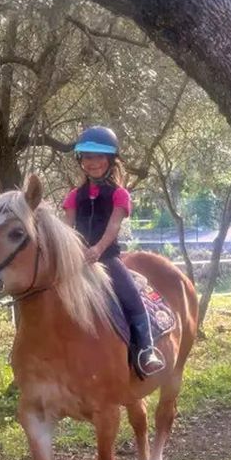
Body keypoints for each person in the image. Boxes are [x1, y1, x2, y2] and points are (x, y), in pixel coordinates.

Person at [63, 126, 165, 378]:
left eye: (99, 157)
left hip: (107, 258)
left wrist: (97, 249)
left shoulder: (119, 194)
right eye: (87, 157)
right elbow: (66, 228)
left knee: (132, 296)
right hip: (77, 261)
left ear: (110, 160)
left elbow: (113, 226)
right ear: (80, 161)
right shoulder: (74, 196)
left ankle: (146, 349)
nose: (93, 162)